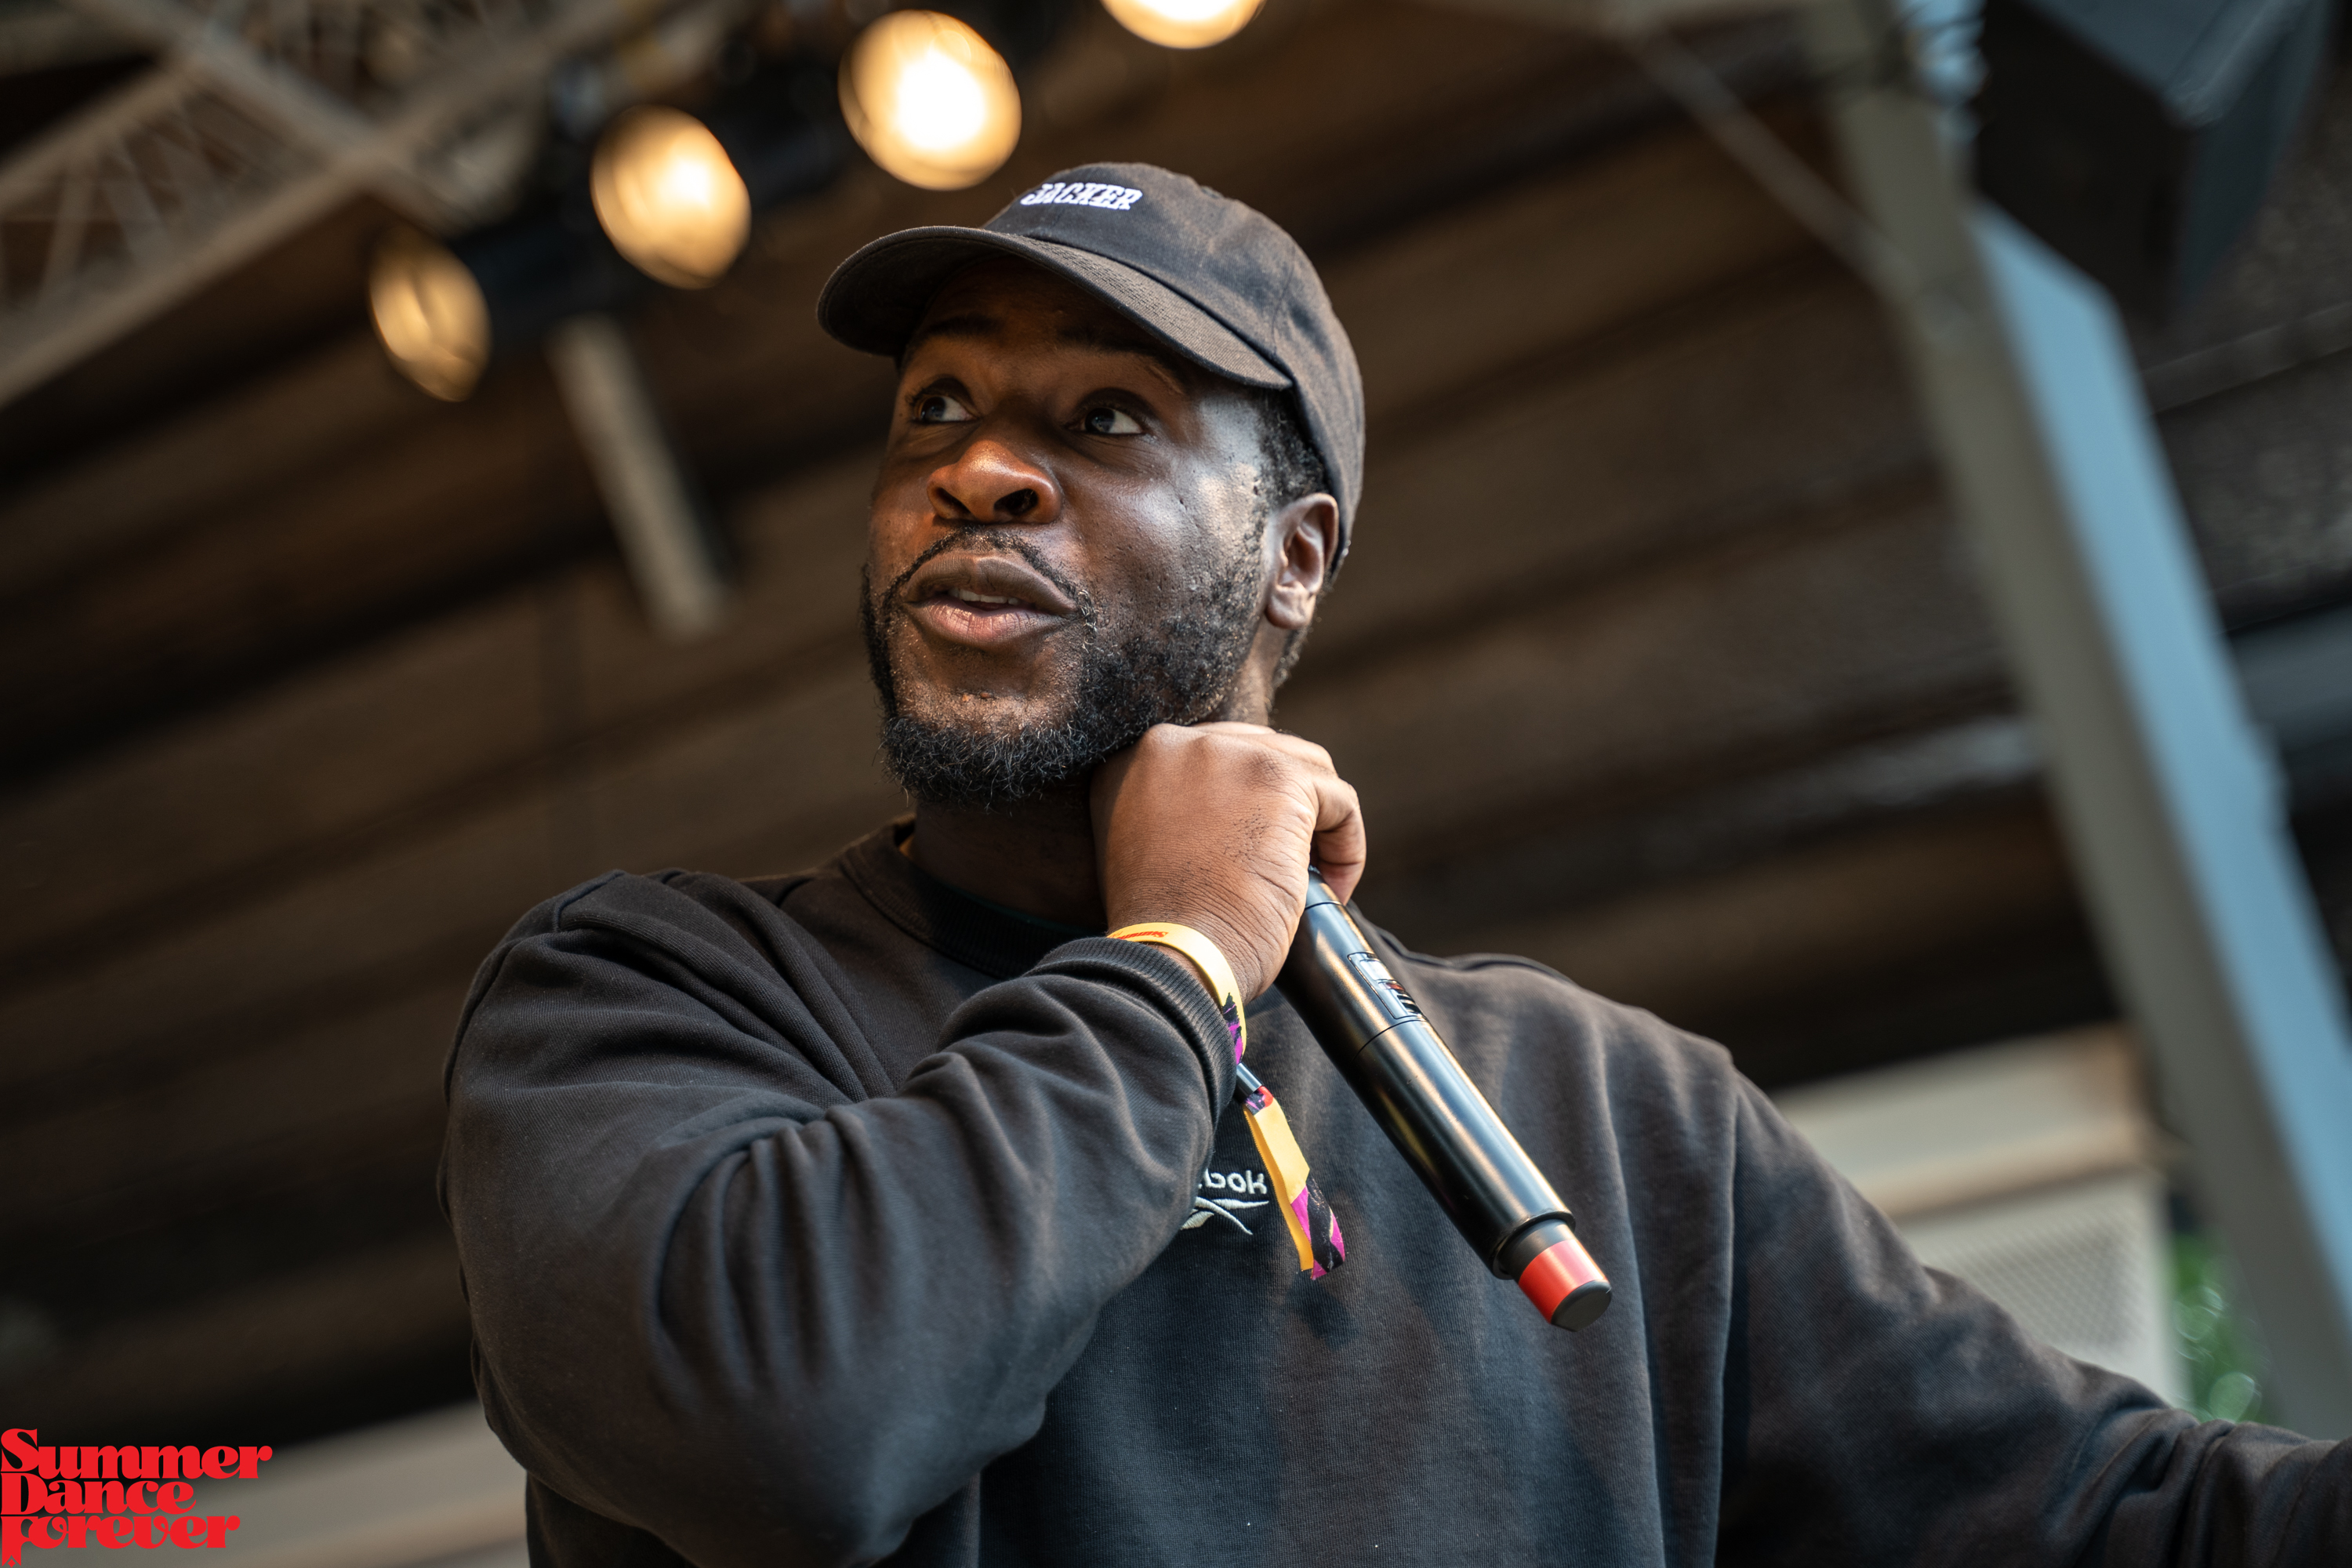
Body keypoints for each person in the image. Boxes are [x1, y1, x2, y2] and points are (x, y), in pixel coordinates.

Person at [441, 162, 2350, 1566]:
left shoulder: (1608, 1116)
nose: (980, 469)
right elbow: (790, 1426)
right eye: (934, 406)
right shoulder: (648, 997)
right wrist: (1181, 958)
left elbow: (2118, 1519)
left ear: (1294, 559)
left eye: (1104, 419)